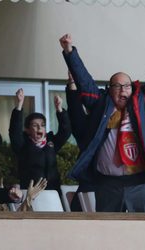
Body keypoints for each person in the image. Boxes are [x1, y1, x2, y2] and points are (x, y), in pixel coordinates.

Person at [59, 30, 145, 212]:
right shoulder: (99, 104)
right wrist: (69, 51)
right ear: (109, 89)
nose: (123, 91)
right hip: (107, 185)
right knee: (110, 234)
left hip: (141, 183)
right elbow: (84, 80)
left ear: (133, 88)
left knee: (144, 233)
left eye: (127, 86)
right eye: (117, 86)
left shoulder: (144, 102)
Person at [9, 88, 71, 194]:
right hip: (31, 193)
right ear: (27, 130)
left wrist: (59, 109)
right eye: (35, 125)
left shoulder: (51, 142)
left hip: (53, 192)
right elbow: (14, 131)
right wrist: (19, 105)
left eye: (42, 125)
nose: (39, 128)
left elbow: (66, 131)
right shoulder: (23, 145)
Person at [66, 72, 95, 211]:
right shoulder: (86, 127)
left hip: (114, 186)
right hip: (89, 183)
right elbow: (75, 111)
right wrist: (72, 84)